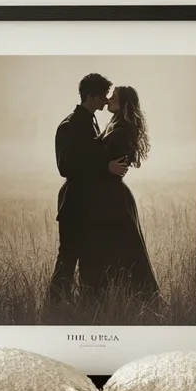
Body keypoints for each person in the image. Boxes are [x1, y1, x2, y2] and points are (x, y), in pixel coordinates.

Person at [47, 74, 128, 306]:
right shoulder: (70, 125)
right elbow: (66, 167)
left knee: (90, 263)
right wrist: (107, 167)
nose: (106, 101)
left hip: (89, 207)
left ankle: (87, 309)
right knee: (67, 261)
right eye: (103, 96)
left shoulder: (91, 120)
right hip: (74, 206)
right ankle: (55, 309)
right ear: (91, 96)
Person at [77, 85, 160, 306]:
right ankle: (109, 300)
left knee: (123, 251)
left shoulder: (123, 129)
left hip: (113, 198)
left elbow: (116, 162)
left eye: (113, 97)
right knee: (114, 250)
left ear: (124, 103)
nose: (109, 99)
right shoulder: (115, 125)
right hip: (109, 195)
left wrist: (105, 167)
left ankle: (136, 302)